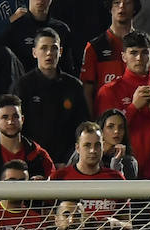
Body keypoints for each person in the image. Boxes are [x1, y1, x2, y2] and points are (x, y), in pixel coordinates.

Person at [14, 26, 92, 164]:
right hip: (32, 161)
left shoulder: (74, 86)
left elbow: (82, 127)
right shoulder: (23, 86)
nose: (49, 53)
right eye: (44, 48)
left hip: (67, 162)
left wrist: (70, 160)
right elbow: (17, 128)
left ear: (60, 51)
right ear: (34, 52)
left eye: (54, 48)